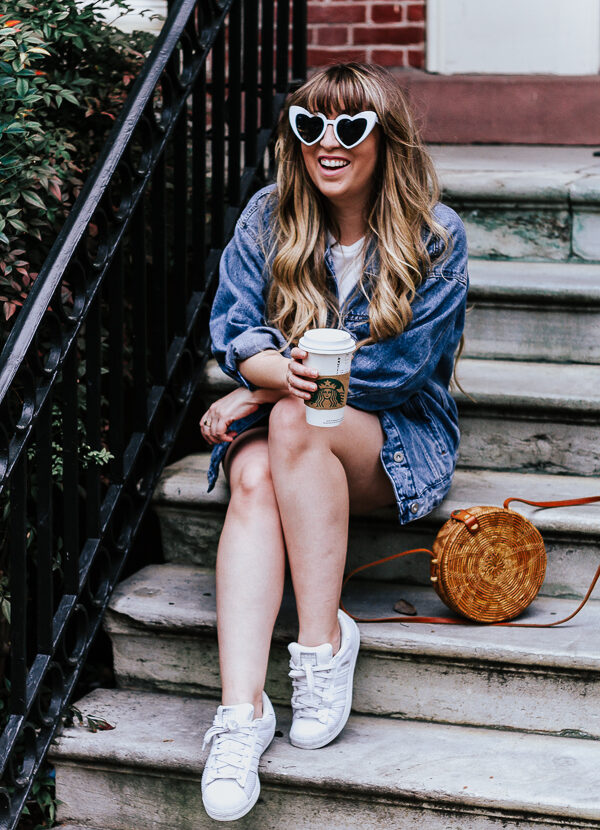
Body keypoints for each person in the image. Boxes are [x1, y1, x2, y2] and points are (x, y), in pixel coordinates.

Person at [198, 62, 468, 822]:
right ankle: (241, 716)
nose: (328, 142)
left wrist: (258, 389)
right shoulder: (267, 215)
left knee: (289, 420)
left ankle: (319, 646)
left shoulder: (437, 237)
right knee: (253, 478)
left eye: (351, 127)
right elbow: (236, 328)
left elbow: (392, 371)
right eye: (309, 124)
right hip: (296, 429)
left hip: (393, 437)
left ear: (385, 140)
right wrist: (259, 371)